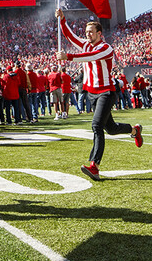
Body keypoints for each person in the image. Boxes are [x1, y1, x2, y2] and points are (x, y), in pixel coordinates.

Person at [56, 9, 142, 181]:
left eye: (91, 32)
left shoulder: (106, 48)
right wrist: (62, 19)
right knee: (110, 128)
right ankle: (134, 130)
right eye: (86, 32)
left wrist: (68, 57)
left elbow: (90, 56)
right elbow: (70, 37)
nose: (87, 35)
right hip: (92, 92)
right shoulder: (86, 44)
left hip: (106, 92)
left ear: (99, 33)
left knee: (96, 126)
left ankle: (94, 166)